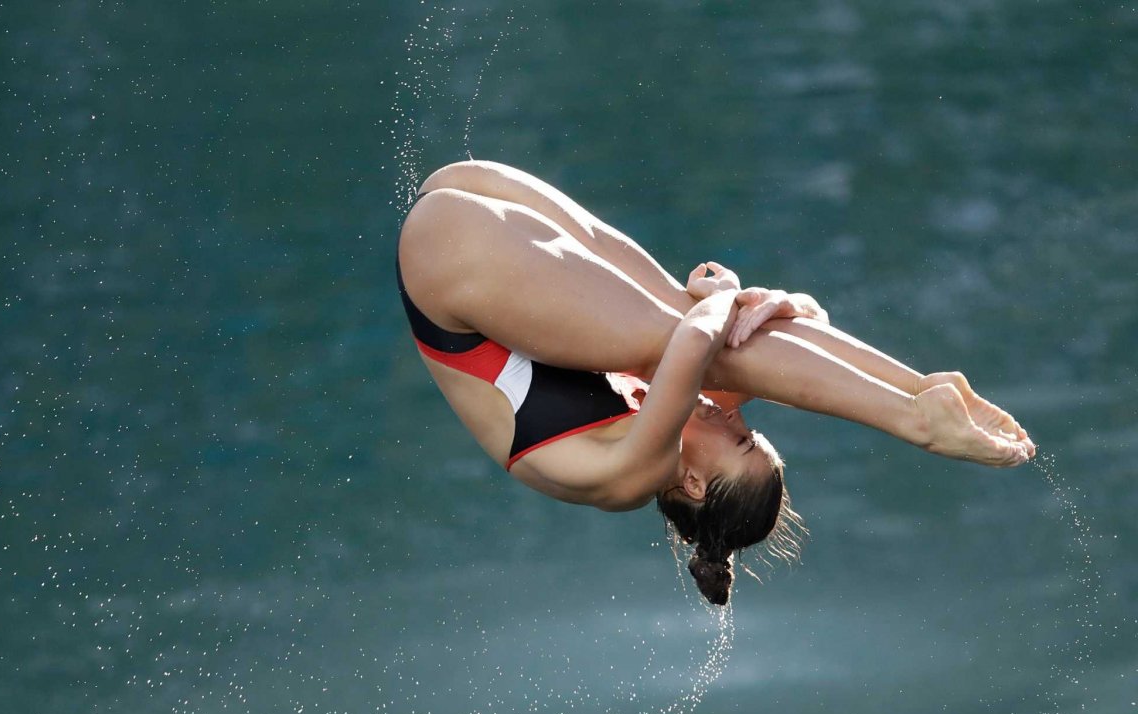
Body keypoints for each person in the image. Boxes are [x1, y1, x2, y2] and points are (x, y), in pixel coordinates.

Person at [396, 160, 1034, 604]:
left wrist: (728, 296)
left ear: (695, 484)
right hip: (463, 202)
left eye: (743, 443)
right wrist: (789, 305)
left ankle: (917, 421)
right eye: (751, 432)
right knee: (724, 334)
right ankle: (921, 393)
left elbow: (696, 340)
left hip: (445, 263)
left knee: (686, 331)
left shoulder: (630, 474)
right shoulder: (690, 429)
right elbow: (787, 345)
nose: (737, 420)